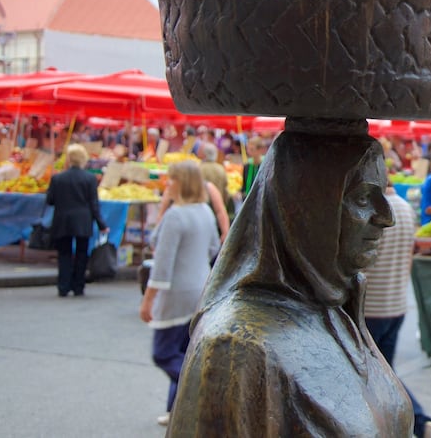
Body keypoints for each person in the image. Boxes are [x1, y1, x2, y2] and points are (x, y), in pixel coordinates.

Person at [168, 130, 412, 436]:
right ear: (305, 208)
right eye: (362, 197)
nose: (386, 216)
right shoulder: (237, 346)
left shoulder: (336, 306)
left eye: (382, 193)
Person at [364, 179, 431, 438]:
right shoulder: (405, 209)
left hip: (371, 308)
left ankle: (420, 423)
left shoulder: (373, 212)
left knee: (377, 376)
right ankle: (414, 425)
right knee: (385, 373)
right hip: (396, 305)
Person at [139, 160, 219, 426]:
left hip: (176, 293)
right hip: (199, 288)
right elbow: (212, 248)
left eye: (171, 179)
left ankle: (200, 392)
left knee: (163, 353)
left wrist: (148, 300)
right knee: (185, 351)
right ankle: (177, 411)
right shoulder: (204, 210)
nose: (166, 184)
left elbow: (162, 264)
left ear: (181, 182)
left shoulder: (176, 216)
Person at [46, 144, 108, 297]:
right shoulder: (90, 179)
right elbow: (94, 204)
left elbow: (50, 200)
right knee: (82, 253)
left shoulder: (57, 178)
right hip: (83, 219)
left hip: (62, 219)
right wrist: (102, 224)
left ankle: (63, 285)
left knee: (64, 253)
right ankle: (78, 285)